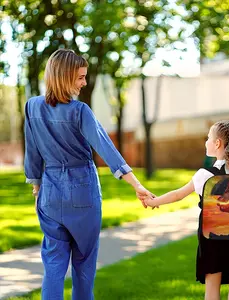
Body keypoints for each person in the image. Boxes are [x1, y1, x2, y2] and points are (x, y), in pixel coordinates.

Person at [24, 48, 153, 300]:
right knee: (83, 265)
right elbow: (107, 148)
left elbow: (32, 153)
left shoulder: (32, 107)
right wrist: (136, 185)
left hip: (49, 194)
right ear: (64, 77)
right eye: (80, 77)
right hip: (83, 192)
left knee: (53, 266)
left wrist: (37, 188)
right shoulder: (79, 110)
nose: (84, 83)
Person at [145, 120, 229, 300]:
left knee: (211, 293)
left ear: (217, 144)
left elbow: (178, 195)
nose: (206, 142)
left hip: (212, 242)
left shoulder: (205, 175)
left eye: (208, 138)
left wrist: (154, 202)